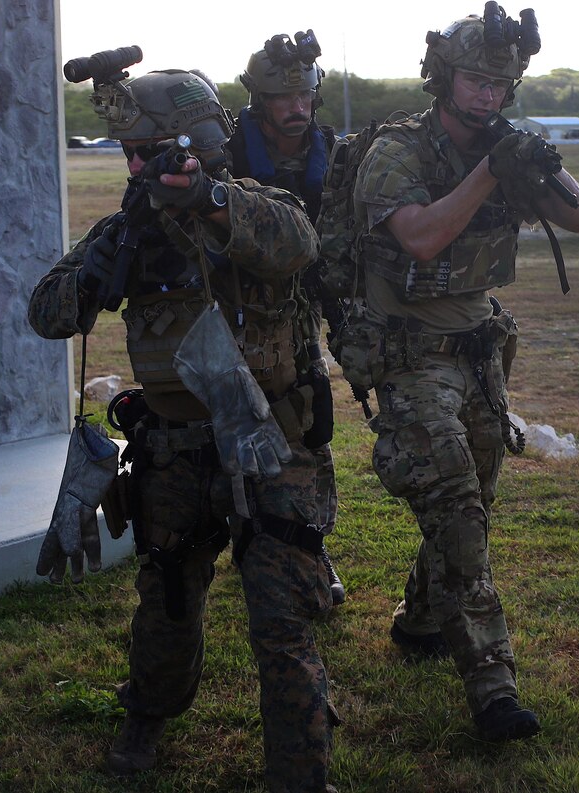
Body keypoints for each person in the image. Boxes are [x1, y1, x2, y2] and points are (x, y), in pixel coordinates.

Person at [28, 67, 339, 791]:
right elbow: (47, 313)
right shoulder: (128, 229)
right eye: (128, 153)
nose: (136, 166)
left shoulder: (262, 204)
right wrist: (95, 271)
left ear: (198, 142)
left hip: (272, 444)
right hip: (174, 446)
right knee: (167, 595)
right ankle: (149, 710)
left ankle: (301, 772)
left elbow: (296, 242)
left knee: (280, 617)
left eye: (151, 150)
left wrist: (210, 201)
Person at [341, 8, 579, 741]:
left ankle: (421, 616)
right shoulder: (396, 150)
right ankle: (494, 685)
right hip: (411, 352)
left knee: (475, 497)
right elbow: (420, 238)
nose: (487, 96)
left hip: (480, 352)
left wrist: (535, 158)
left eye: (500, 84)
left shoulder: (503, 145)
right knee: (457, 508)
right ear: (443, 78)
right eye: (476, 81)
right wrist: (490, 170)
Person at [226, 31, 346, 606]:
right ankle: (236, 530)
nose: (298, 109)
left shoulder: (332, 155)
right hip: (230, 317)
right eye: (284, 100)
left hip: (299, 322)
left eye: (306, 98)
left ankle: (308, 544)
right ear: (259, 102)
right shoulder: (225, 152)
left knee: (305, 430)